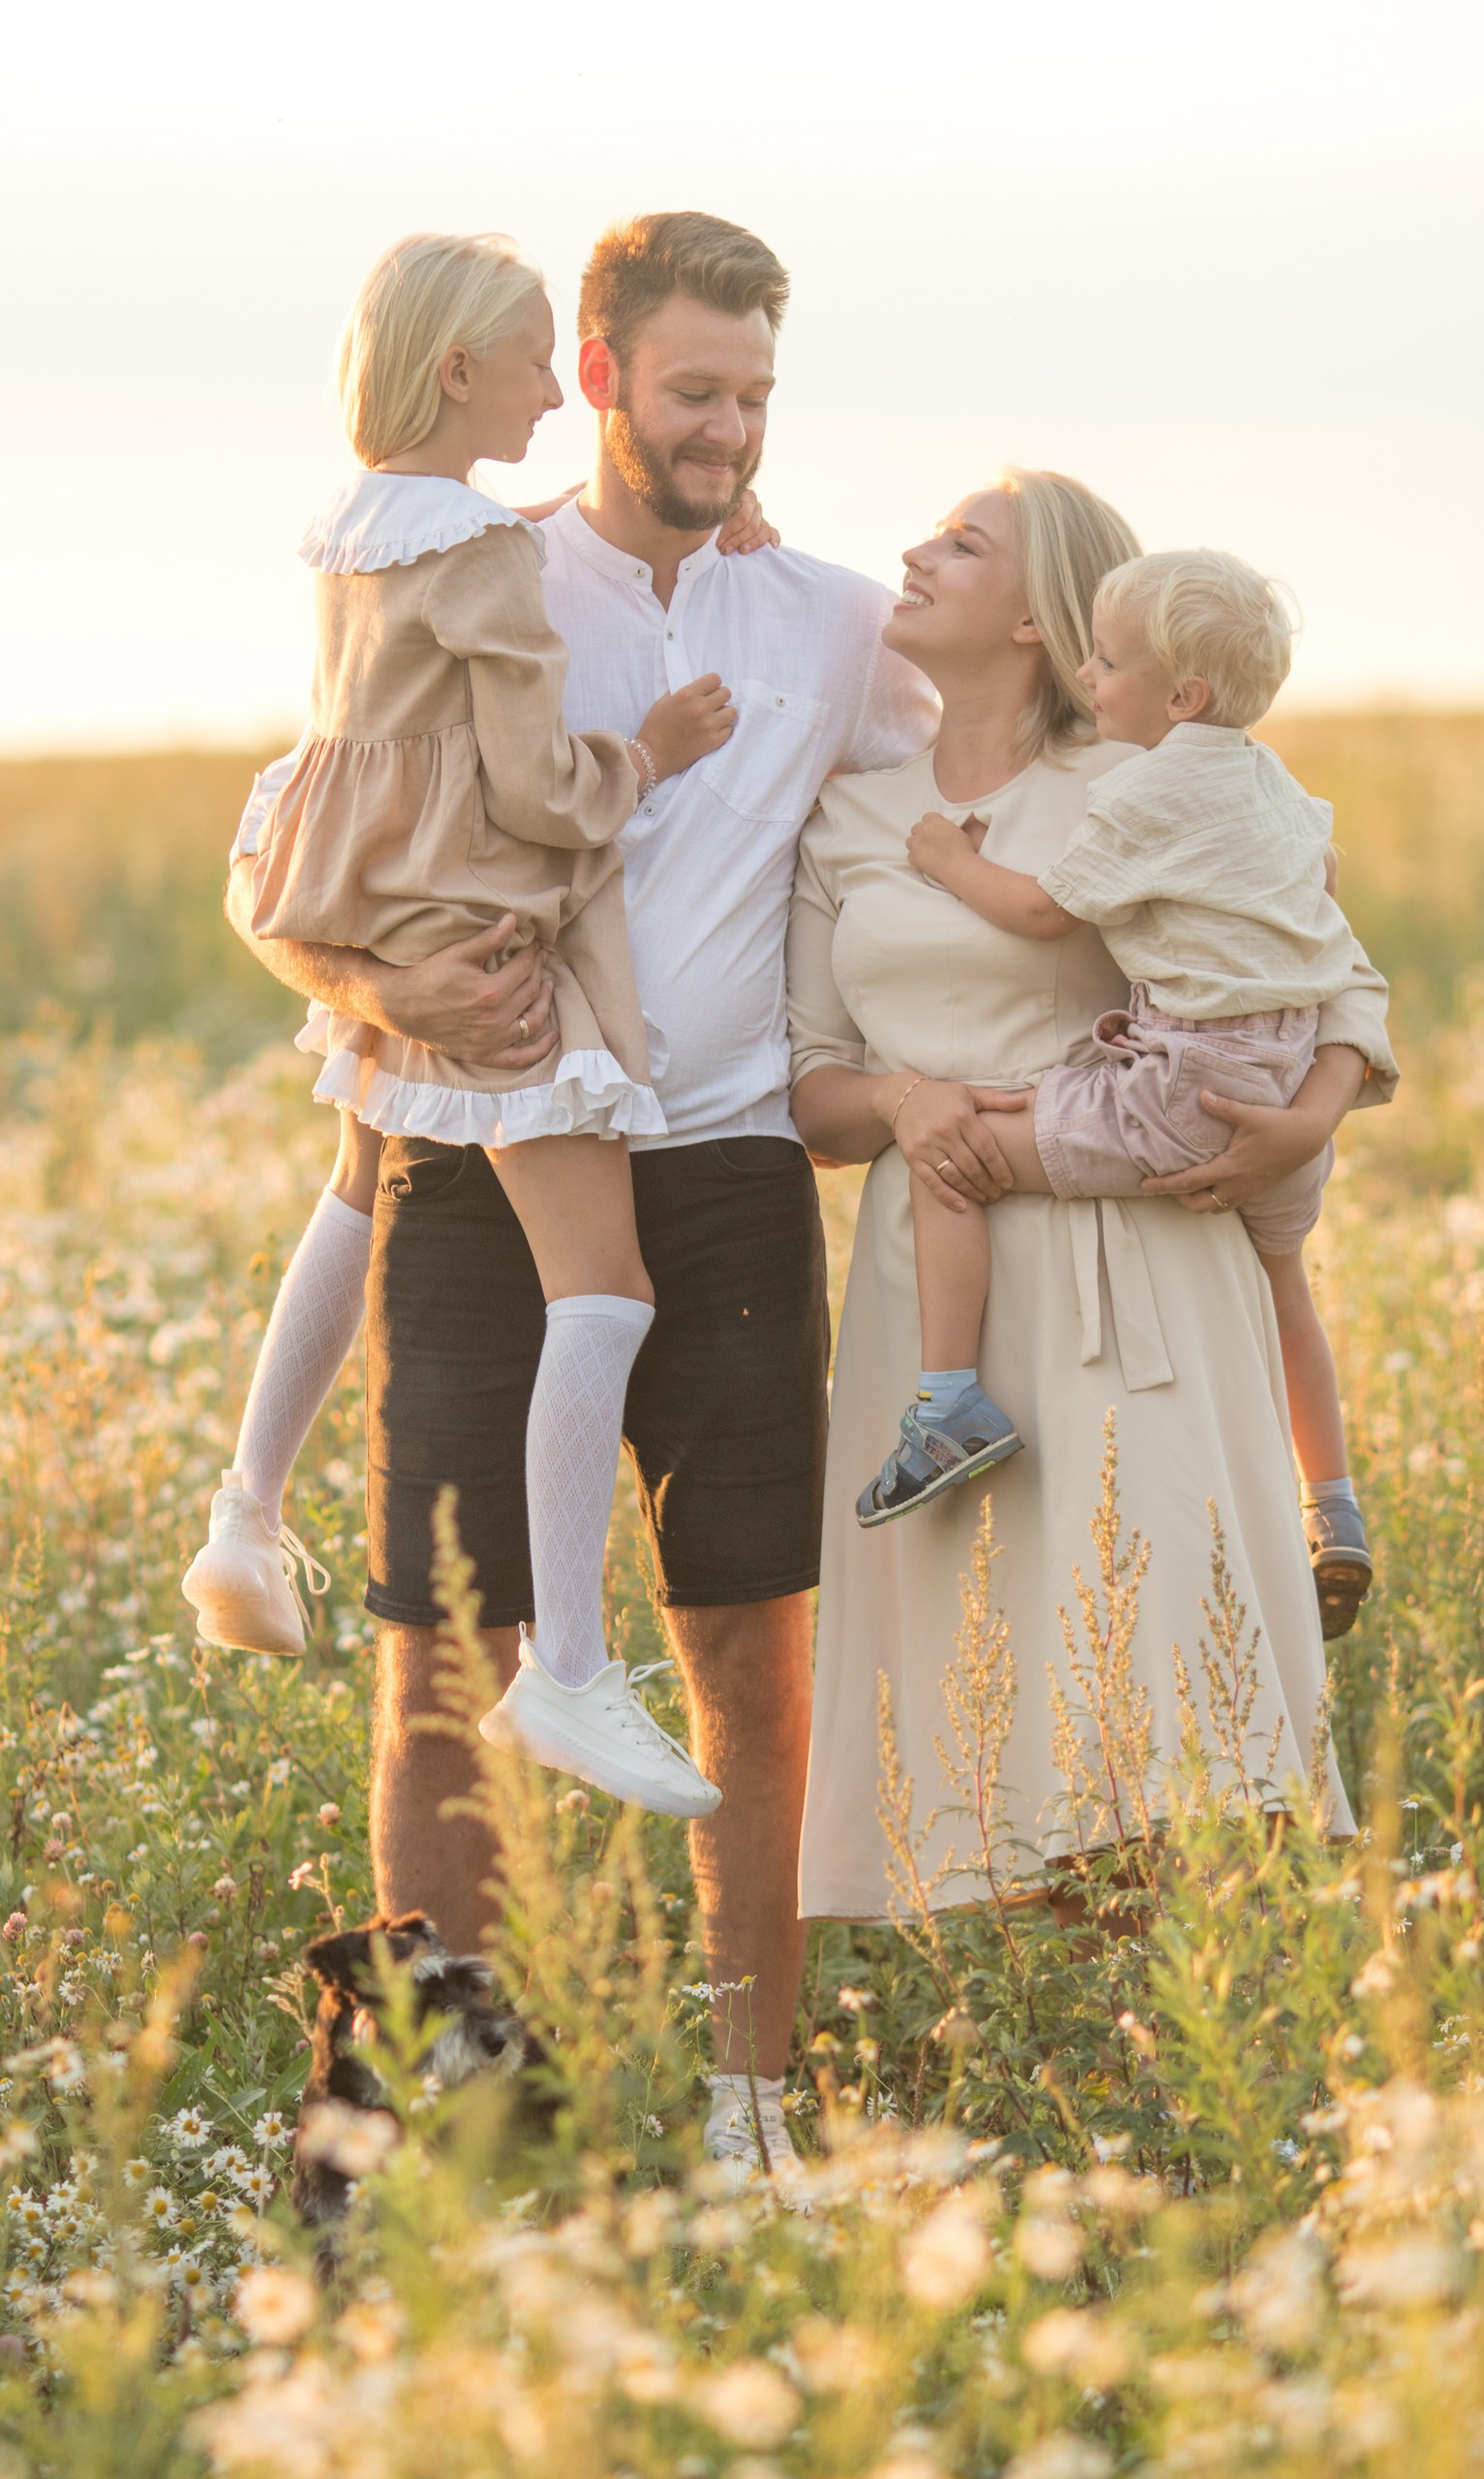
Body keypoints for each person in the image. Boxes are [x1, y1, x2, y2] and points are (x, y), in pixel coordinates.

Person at [224, 211, 938, 2182]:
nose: (726, 430)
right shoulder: (465, 551)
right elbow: (285, 834)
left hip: (725, 1176)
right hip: (473, 1158)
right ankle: (441, 2139)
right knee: (440, 1657)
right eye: (693, 389)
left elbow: (1000, 782)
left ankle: (750, 2117)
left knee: (750, 1653)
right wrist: (361, 981)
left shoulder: (832, 623)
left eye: (756, 397)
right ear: (598, 376)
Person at [787, 473, 1400, 1924]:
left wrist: (1298, 1122)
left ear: (1033, 617)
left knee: (1163, 1754)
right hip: (936, 1305)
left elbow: (1330, 978)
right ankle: (1042, 2117)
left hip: (1139, 1279)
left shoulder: (1150, 776)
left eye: (958, 543)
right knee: (981, 1731)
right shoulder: (846, 814)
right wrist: (901, 1103)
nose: (911, 555)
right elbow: (813, 1090)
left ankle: (1189, 2110)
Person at [191, 230, 736, 1822]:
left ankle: (243, 1511)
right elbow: (526, 783)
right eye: (522, 364)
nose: (548, 399)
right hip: (486, 936)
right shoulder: (482, 550)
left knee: (357, 1194)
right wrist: (648, 750)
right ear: (455, 372)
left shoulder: (353, 533)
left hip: (380, 912)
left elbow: (364, 751)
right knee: (606, 1287)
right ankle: (567, 1662)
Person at [862, 546, 1378, 1638]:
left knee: (956, 1152)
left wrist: (952, 863)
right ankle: (1331, 1503)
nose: (1088, 677)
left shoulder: (1144, 789)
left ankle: (946, 1406)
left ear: (1179, 695)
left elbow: (1052, 911)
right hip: (1281, 1076)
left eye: (1104, 662)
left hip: (1183, 1087)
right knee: (1287, 1286)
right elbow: (1328, 927)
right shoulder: (1276, 785)